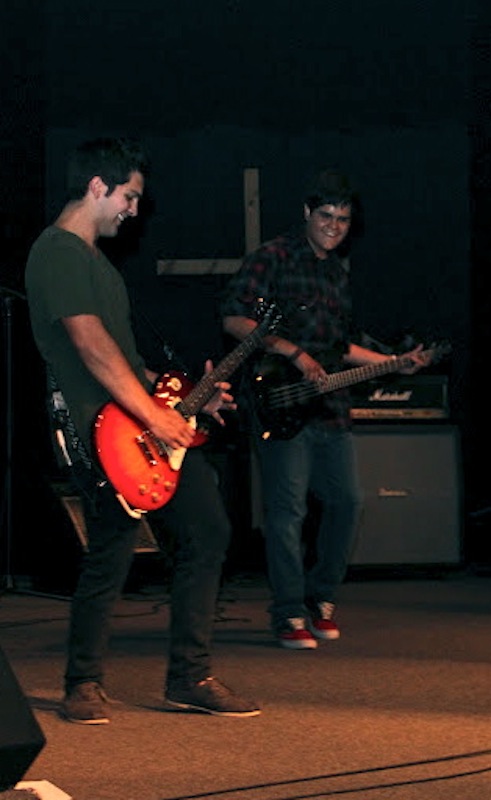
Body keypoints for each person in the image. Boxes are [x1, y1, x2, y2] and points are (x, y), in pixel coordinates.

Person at [24, 136, 261, 722]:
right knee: (111, 550)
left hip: (140, 428)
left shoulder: (100, 266)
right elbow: (90, 343)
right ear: (97, 187)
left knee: (206, 530)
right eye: (129, 196)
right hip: (98, 430)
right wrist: (155, 414)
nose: (135, 208)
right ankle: (83, 683)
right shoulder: (57, 251)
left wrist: (186, 399)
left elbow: (127, 363)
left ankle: (190, 676)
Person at [221, 168, 431, 650]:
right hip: (281, 403)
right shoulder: (272, 257)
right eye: (326, 216)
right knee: (287, 510)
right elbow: (234, 317)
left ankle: (320, 600)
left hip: (331, 408)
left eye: (342, 219)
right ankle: (288, 611)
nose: (334, 226)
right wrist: (291, 352)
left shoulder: (337, 273)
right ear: (306, 214)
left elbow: (342, 349)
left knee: (349, 503)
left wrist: (397, 363)